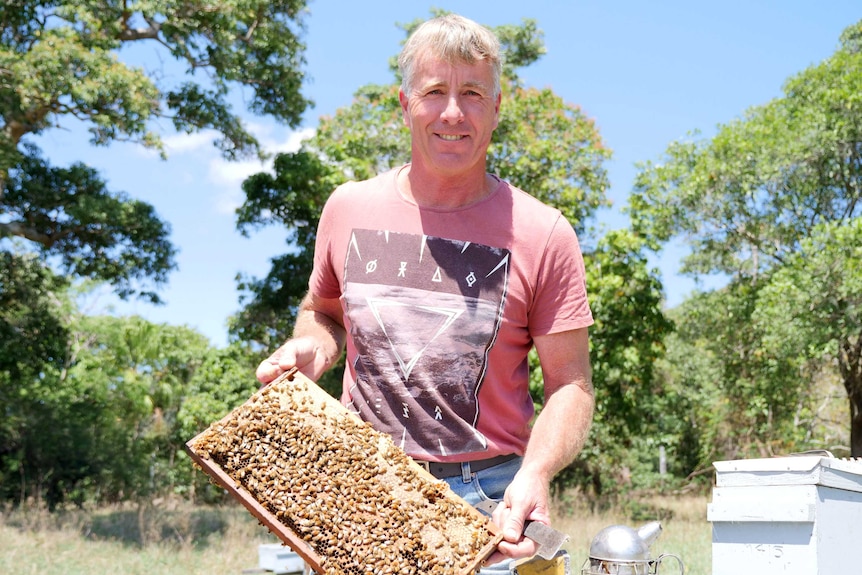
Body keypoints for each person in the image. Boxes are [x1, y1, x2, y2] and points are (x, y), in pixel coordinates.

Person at [256, 13, 594, 571]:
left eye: (473, 93)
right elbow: (325, 315)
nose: (453, 112)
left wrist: (536, 473)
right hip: (362, 485)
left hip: (490, 503)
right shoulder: (348, 208)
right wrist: (309, 348)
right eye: (435, 91)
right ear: (405, 101)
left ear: (497, 106)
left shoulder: (544, 232)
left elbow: (571, 385)